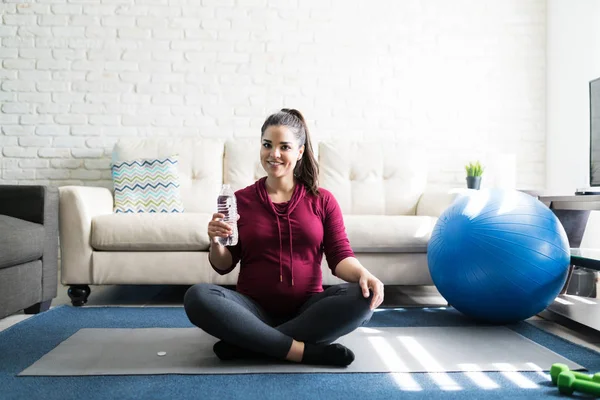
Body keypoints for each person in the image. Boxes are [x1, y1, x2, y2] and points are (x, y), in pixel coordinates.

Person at [184, 108, 385, 367]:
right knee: (197, 296)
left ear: (299, 152)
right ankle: (302, 352)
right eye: (267, 145)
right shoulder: (240, 200)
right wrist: (215, 242)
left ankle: (251, 343)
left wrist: (363, 274)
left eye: (284, 147)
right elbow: (224, 265)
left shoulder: (322, 200)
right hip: (251, 310)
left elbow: (340, 256)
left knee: (365, 297)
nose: (274, 154)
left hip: (309, 309)